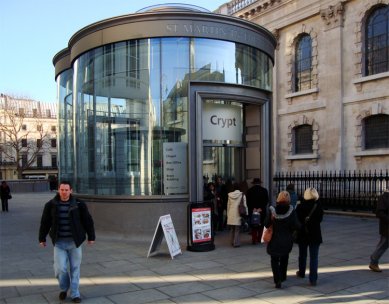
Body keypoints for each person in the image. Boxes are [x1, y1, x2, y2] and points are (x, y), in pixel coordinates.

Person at [38, 181, 95, 303]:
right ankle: (64, 288)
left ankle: (75, 293)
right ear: (58, 190)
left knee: (75, 268)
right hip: (59, 243)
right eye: (62, 190)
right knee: (60, 269)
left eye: (66, 190)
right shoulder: (51, 205)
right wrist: (42, 238)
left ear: (71, 190)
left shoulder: (79, 204)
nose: (64, 192)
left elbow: (88, 221)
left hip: (75, 243)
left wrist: (91, 236)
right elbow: (45, 222)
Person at [264, 191, 300, 288]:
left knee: (274, 259)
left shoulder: (272, 210)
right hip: (287, 240)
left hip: (274, 240)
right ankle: (283, 276)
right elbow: (297, 225)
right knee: (285, 258)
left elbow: (266, 224)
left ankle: (277, 280)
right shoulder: (291, 211)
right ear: (288, 199)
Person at [295, 187, 323, 286]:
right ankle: (313, 279)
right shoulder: (318, 205)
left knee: (302, 255)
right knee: (314, 257)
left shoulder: (300, 206)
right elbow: (320, 219)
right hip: (315, 234)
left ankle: (302, 272)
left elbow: (297, 220)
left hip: (303, 233)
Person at [369, 188, 389, 272]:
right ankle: (373, 261)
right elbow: (379, 212)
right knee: (384, 244)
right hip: (387, 227)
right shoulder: (384, 197)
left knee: (383, 244)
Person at [246, 178, 269, 245]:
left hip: (252, 210)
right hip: (262, 210)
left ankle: (254, 240)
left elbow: (248, 202)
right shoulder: (264, 190)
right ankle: (259, 239)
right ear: (260, 183)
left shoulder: (249, 191)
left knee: (253, 225)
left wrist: (253, 208)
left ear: (253, 183)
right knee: (261, 224)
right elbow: (266, 201)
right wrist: (260, 208)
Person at [227, 182, 248, 247]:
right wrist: (246, 213)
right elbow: (245, 205)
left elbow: (228, 205)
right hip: (238, 213)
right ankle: (236, 243)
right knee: (237, 229)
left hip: (231, 213)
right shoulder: (242, 195)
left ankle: (231, 242)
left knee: (232, 229)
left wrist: (228, 214)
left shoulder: (230, 195)